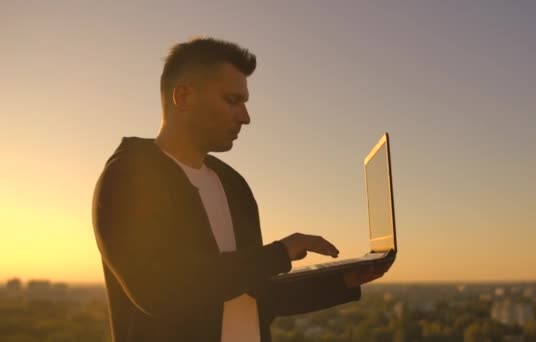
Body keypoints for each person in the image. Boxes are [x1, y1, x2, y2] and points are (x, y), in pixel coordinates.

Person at [91, 36, 391, 342]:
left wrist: (343, 282)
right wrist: (279, 252)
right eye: (232, 101)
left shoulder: (233, 185)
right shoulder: (130, 176)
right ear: (182, 96)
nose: (245, 117)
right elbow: (158, 290)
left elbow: (254, 293)